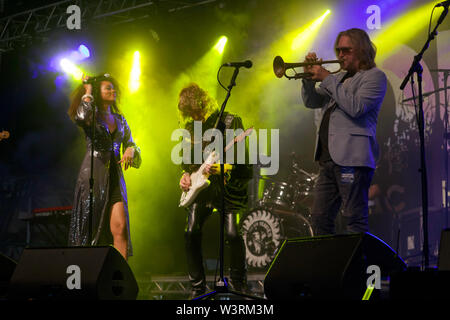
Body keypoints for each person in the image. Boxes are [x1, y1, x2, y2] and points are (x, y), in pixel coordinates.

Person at [301, 28, 387, 235]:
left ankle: (356, 267)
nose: (340, 55)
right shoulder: (337, 78)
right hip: (327, 160)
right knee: (319, 220)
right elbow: (312, 101)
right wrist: (307, 77)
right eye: (338, 50)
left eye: (346, 50)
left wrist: (326, 77)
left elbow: (356, 107)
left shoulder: (374, 77)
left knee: (354, 219)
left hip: (352, 160)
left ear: (361, 50)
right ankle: (329, 267)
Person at [177, 83, 253, 298]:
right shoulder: (191, 128)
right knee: (191, 232)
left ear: (203, 104)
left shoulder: (230, 121)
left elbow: (243, 163)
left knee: (232, 233)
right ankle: (197, 287)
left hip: (227, 187)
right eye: (189, 114)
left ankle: (239, 284)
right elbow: (186, 163)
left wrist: (222, 168)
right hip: (201, 189)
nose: (194, 117)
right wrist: (184, 176)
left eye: (195, 112)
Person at [67, 73, 141, 260]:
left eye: (113, 87)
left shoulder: (120, 119)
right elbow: (81, 117)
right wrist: (88, 90)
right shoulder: (91, 115)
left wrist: (131, 150)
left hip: (115, 177)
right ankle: (85, 276)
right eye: (107, 88)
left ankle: (119, 279)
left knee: (120, 228)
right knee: (89, 231)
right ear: (99, 93)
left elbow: (131, 143)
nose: (112, 90)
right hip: (93, 174)